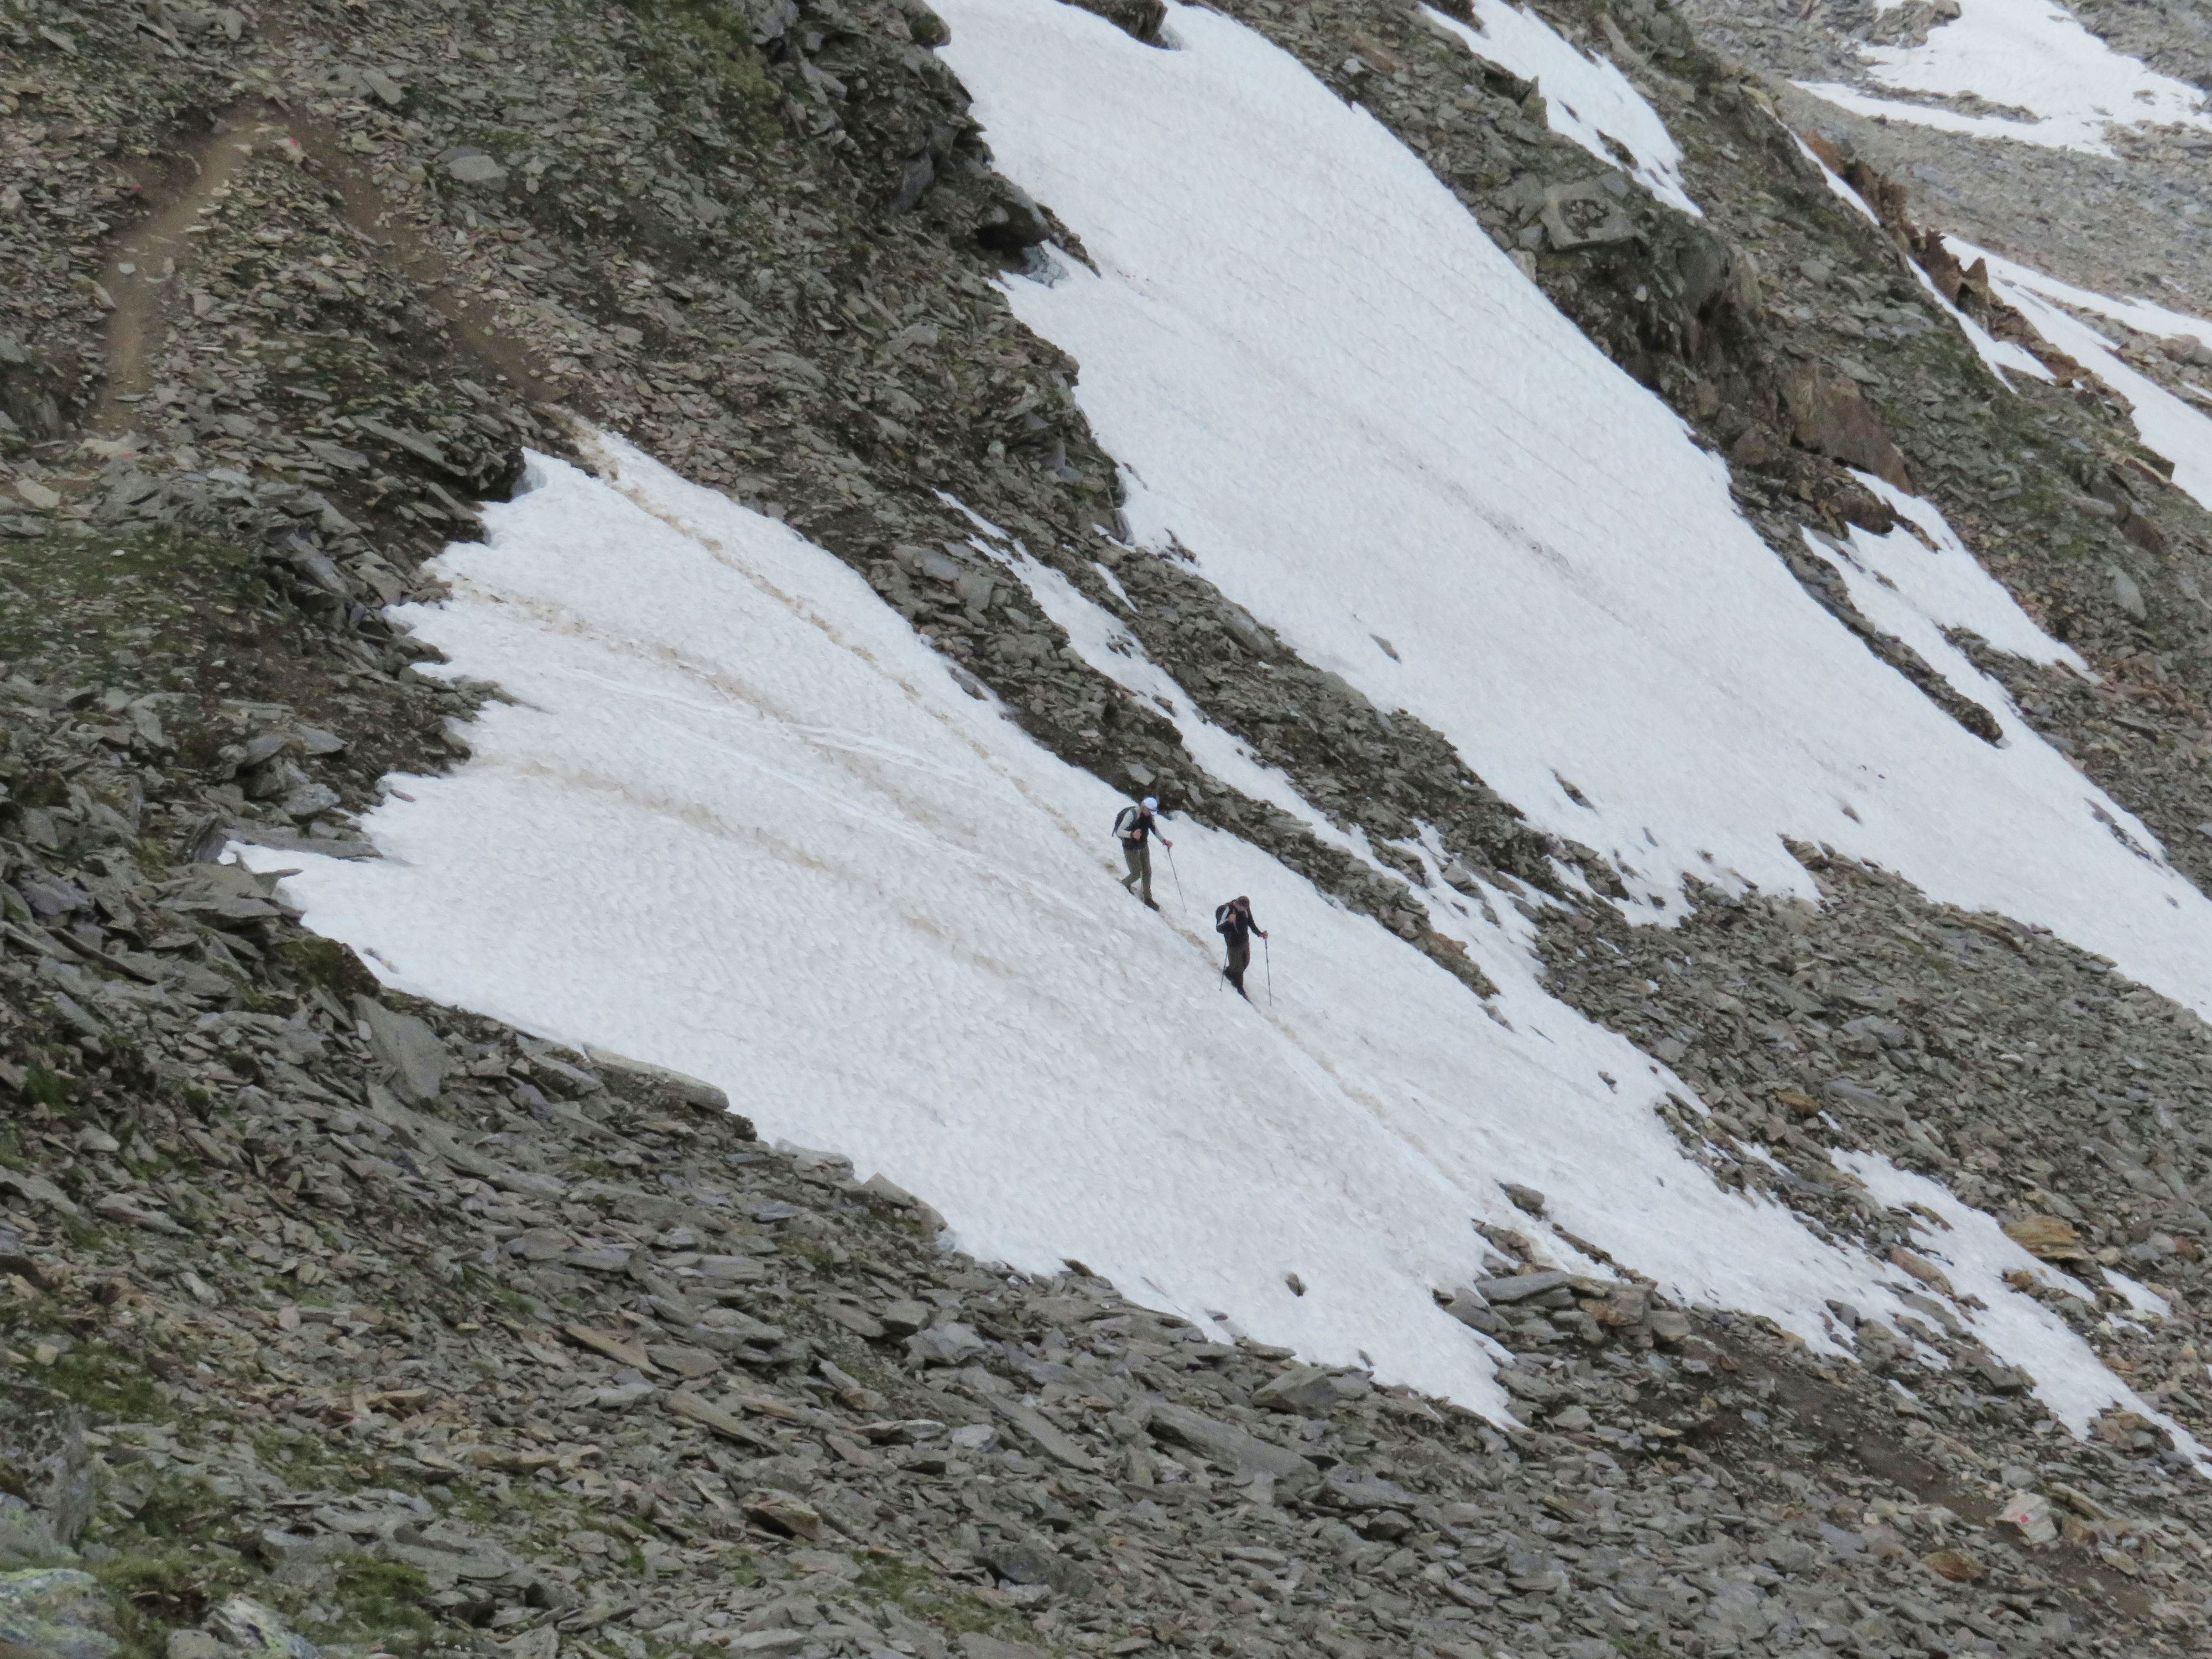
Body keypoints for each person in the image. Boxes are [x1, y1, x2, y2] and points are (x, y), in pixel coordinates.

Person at [1113, 795, 1171, 909]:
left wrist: (1164, 841)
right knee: (1136, 873)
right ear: (1144, 807)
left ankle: (1148, 898)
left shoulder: (1149, 817)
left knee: (1147, 872)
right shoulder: (1132, 814)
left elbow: (1154, 829)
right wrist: (1131, 835)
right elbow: (1119, 831)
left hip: (1143, 845)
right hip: (1130, 846)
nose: (1151, 814)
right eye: (1150, 811)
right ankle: (1123, 885)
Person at [1214, 895, 1266, 998]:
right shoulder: (1228, 910)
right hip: (1233, 943)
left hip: (1244, 941)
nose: (1244, 911)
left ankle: (1229, 973)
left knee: (1245, 962)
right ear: (1238, 904)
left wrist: (1260, 933)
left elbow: (1251, 923)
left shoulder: (1246, 910)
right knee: (1238, 968)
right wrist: (1229, 922)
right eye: (1243, 909)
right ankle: (1239, 987)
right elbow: (1219, 928)